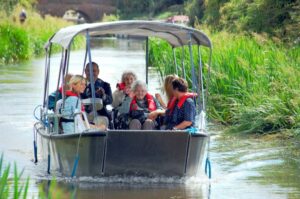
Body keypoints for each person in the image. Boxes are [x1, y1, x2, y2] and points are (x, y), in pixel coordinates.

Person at [81, 62, 113, 126]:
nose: (91, 73)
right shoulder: (79, 84)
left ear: (98, 72)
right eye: (88, 71)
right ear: (85, 71)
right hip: (82, 113)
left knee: (102, 120)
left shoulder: (105, 85)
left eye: (94, 71)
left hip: (99, 113)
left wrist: (103, 95)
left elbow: (110, 101)